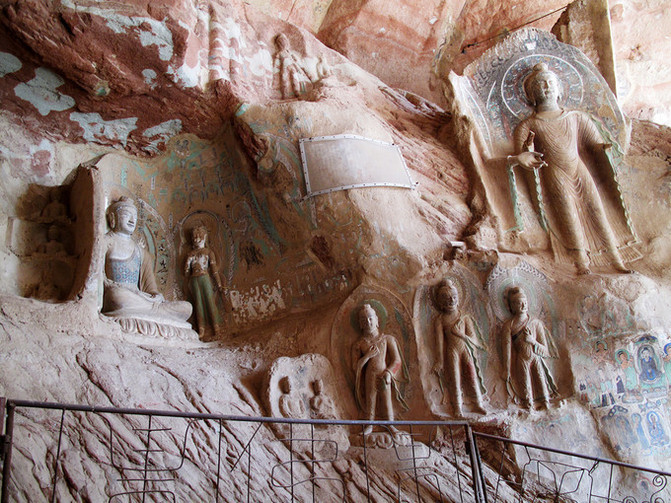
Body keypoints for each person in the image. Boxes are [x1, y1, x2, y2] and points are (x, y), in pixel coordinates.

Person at [506, 63, 632, 275]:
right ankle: (581, 262)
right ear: (532, 94)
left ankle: (614, 258)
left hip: (579, 170)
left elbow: (593, 143)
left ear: (559, 88)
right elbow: (522, 154)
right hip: (555, 174)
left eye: (550, 83)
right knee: (568, 214)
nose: (546, 87)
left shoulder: (576, 117)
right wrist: (523, 155)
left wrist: (605, 148)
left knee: (596, 209)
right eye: (540, 85)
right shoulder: (528, 125)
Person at [102, 197, 192, 326]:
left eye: (134, 217)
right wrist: (109, 285)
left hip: (141, 299)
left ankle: (155, 312)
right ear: (112, 218)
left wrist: (155, 296)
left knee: (187, 307)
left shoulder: (141, 251)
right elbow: (97, 275)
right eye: (126, 215)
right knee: (116, 296)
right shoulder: (106, 242)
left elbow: (150, 289)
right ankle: (155, 314)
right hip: (121, 295)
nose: (132, 220)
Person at [432, 280, 486, 416]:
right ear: (440, 302)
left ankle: (478, 403)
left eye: (454, 297)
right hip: (452, 351)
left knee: (471, 375)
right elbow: (439, 343)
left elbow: (474, 340)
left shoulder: (464, 318)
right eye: (446, 298)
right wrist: (439, 361)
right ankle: (457, 407)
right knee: (455, 378)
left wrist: (461, 334)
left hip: (465, 349)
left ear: (458, 298)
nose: (451, 301)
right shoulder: (440, 320)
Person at [352, 303, 407, 434]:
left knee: (386, 400)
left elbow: (397, 361)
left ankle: (390, 424)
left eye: (370, 318)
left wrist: (389, 373)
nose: (368, 322)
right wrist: (367, 356)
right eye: (364, 320)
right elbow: (355, 367)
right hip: (369, 375)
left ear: (377, 320)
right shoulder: (359, 344)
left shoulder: (387, 339)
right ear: (360, 324)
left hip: (384, 374)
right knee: (370, 400)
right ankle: (369, 425)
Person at [501, 286, 557, 410]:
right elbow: (507, 350)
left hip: (536, 357)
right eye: (519, 303)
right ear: (512, 306)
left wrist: (532, 341)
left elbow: (546, 351)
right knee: (525, 384)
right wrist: (506, 369)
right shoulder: (508, 326)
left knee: (540, 380)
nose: (523, 306)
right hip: (521, 358)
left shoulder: (536, 323)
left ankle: (545, 403)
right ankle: (529, 405)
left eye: (525, 303)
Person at [184, 225, 225, 338]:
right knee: (198, 303)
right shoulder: (191, 254)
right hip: (194, 279)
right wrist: (188, 262)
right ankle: (201, 328)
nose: (196, 239)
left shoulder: (208, 252)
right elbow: (186, 272)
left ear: (205, 237)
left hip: (205, 277)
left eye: (199, 236)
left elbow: (214, 270)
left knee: (209, 300)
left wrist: (219, 284)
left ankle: (216, 327)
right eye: (194, 237)